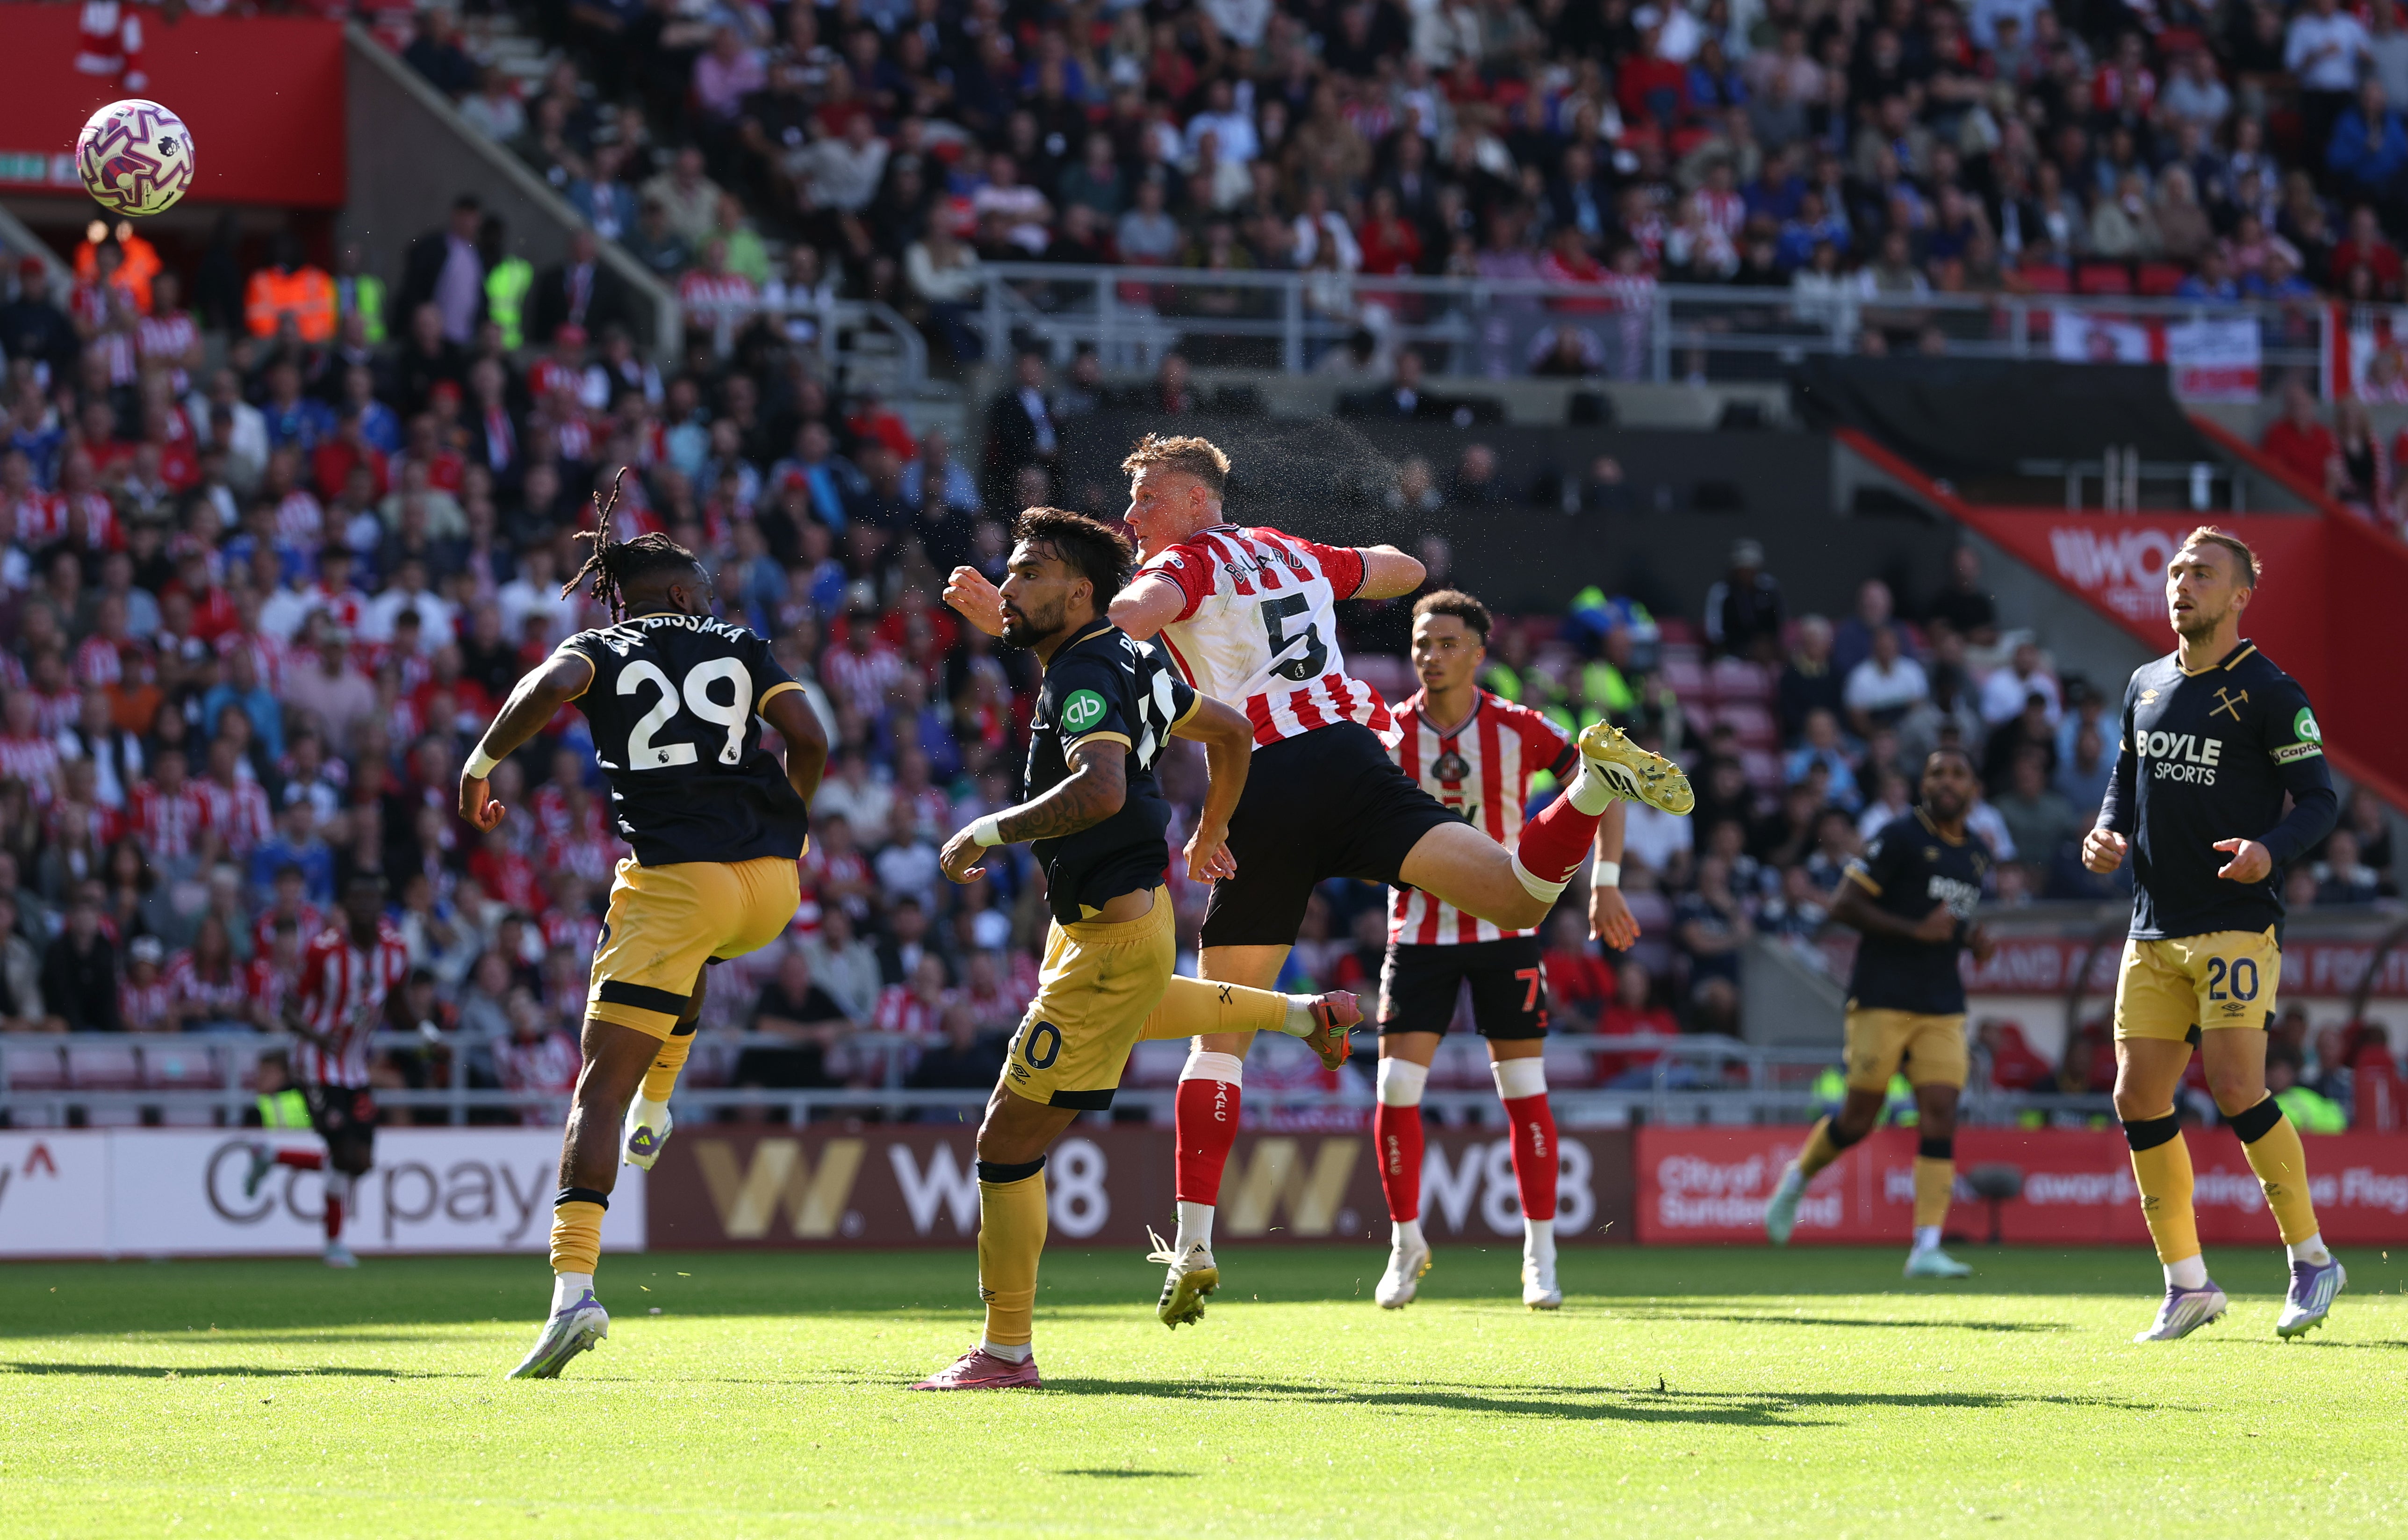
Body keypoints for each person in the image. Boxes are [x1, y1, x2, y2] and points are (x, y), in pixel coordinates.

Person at [943, 433, 1691, 1326]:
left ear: (1194, 501)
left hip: (1268, 779)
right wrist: (1329, 571)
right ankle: (1591, 785)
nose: (1131, 517)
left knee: (1220, 1033)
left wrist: (1014, 618)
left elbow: (1122, 622)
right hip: (1351, 759)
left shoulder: (1182, 563)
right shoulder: (1290, 551)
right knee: (1518, 894)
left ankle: (1194, 1244)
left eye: (1146, 498)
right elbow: (1404, 569)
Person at [912, 508, 1341, 1389]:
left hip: (1109, 939)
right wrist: (1211, 827)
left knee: (1006, 1140)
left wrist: (987, 831)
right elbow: (1231, 731)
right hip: (1120, 929)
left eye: (1028, 573)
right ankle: (1303, 1017)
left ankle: (1005, 1352)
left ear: (1079, 593)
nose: (1009, 585)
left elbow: (1101, 787)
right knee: (1139, 1008)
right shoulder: (1127, 653)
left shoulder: (1084, 669)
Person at [459, 477, 831, 1379]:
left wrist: (479, 764)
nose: (706, 598)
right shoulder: (740, 643)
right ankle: (660, 1106)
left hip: (676, 883)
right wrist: (792, 827)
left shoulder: (598, 648)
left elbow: (546, 686)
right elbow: (811, 737)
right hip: (770, 885)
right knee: (689, 959)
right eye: (697, 587)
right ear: (671, 591)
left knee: (596, 1088)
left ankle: (572, 1291)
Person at [2082, 526, 2343, 1342]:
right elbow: (2126, 776)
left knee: (2234, 1084)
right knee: (2136, 1096)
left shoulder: (2270, 689)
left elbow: (2320, 799)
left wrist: (2270, 849)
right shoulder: (2144, 683)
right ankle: (2187, 1283)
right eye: (2174, 571)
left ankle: (2311, 1258)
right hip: (2152, 925)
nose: (2180, 584)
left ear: (2238, 596)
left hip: (2233, 921)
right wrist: (2105, 831)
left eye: (2201, 573)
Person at [1371, 590, 1636, 1311]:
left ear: (1478, 654)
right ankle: (1404, 1243)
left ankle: (1539, 1254)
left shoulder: (1519, 727)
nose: (1431, 656)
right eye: (1421, 643)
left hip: (1503, 934)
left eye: (1447, 643)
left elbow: (1603, 785)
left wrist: (1603, 883)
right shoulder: (1387, 732)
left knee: (1522, 1091)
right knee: (1395, 1090)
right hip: (1418, 934)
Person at [1761, 748, 1996, 1278]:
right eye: (1936, 773)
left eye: (1957, 773)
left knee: (1940, 1109)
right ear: (1924, 786)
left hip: (1941, 1002)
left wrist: (1971, 942)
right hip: (1882, 995)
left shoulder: (1978, 854)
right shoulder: (1898, 837)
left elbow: (1949, 922)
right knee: (1859, 1117)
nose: (1947, 781)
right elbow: (1844, 904)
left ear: (1973, 789)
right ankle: (1798, 1178)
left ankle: (1926, 1247)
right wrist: (1916, 931)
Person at [241, 874, 410, 1268]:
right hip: (315, 1064)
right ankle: (334, 1244)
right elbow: (289, 1008)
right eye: (357, 900)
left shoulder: (396, 950)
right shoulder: (324, 951)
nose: (365, 907)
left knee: (360, 1160)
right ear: (345, 908)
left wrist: (425, 1031)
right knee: (342, 1152)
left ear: (381, 906)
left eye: (372, 899)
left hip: (355, 1069)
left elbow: (398, 1000)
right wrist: (316, 1036)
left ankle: (272, 1154)